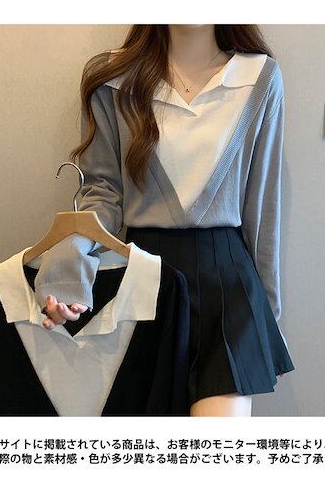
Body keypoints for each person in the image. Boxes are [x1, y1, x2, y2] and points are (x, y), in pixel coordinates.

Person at [34, 24, 296, 417]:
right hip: (142, 277)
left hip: (228, 287)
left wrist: (268, 315)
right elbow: (102, 195)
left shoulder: (259, 77)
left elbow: (262, 208)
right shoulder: (114, 79)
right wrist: (69, 266)